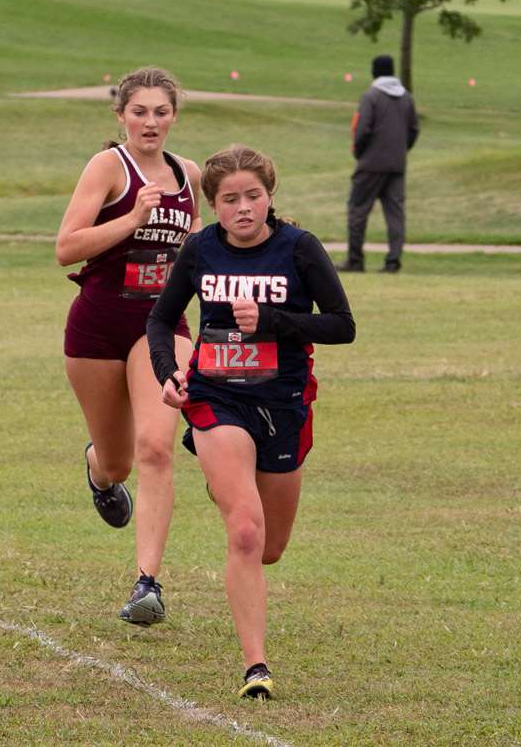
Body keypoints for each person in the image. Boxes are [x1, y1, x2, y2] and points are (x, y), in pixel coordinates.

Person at [146, 145, 355, 698]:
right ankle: (255, 667)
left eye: (253, 196)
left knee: (268, 547)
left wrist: (274, 321)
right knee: (244, 530)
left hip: (284, 402)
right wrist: (168, 372)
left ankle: (233, 489)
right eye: (230, 199)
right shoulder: (200, 250)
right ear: (213, 205)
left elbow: (341, 326)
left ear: (270, 196)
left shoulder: (300, 248)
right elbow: (162, 318)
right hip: (218, 399)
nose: (244, 208)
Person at [56, 67, 202, 626]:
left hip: (161, 326)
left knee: (157, 446)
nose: (151, 122)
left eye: (161, 112)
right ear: (122, 115)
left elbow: (200, 252)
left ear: (174, 117)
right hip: (96, 327)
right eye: (139, 111)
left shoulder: (188, 175)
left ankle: (148, 584)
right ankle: (97, 470)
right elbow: (66, 247)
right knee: (118, 460)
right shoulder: (107, 167)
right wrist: (135, 217)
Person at [336, 54, 419, 273]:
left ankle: (355, 260)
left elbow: (362, 130)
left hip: (371, 164)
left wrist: (361, 152)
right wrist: (400, 150)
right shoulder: (407, 97)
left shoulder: (371, 96)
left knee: (357, 210)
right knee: (395, 213)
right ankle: (393, 261)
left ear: (374, 71)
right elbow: (413, 130)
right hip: (397, 165)